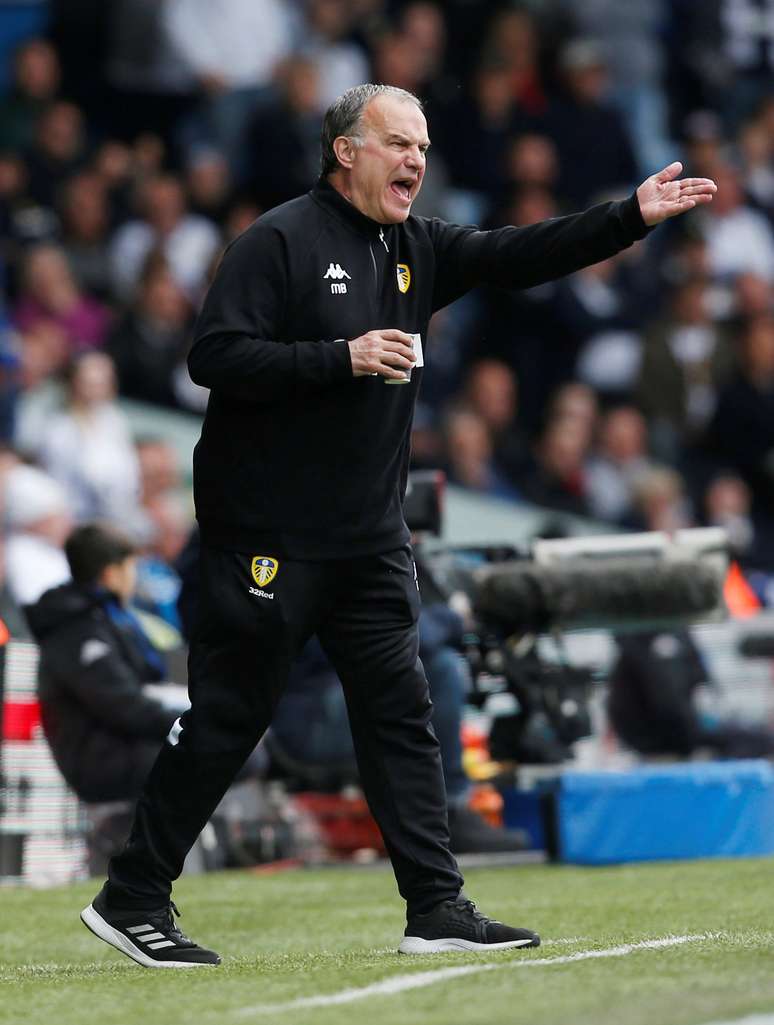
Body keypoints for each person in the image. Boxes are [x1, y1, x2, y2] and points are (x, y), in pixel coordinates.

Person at [81, 83, 716, 968]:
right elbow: (213, 356)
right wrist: (340, 357)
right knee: (231, 715)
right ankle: (132, 894)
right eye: (398, 142)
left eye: (423, 144)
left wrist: (629, 217)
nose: (417, 159)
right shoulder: (276, 241)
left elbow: (514, 255)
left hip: (369, 539)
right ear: (346, 150)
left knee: (402, 715)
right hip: (268, 535)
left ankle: (436, 905)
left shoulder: (416, 245)